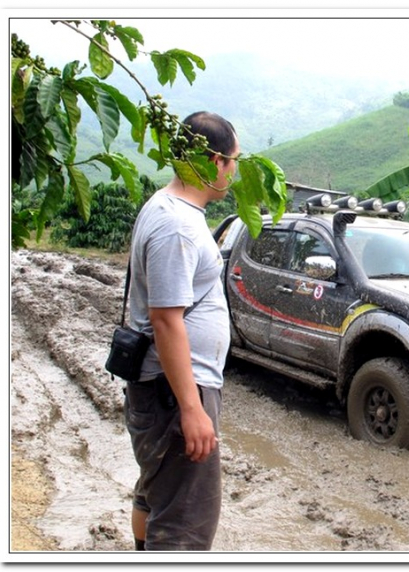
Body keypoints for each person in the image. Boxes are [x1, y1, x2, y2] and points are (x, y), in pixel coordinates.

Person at [124, 111, 238, 550]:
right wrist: (193, 409)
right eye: (233, 161)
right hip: (176, 392)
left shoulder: (169, 208)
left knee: (157, 495)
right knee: (185, 524)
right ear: (213, 161)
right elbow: (166, 319)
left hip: (165, 389)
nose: (234, 171)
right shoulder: (178, 226)